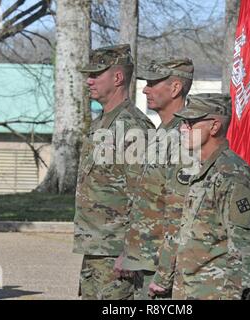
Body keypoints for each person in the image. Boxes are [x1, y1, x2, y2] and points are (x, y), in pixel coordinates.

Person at [149, 93, 250, 300]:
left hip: (216, 293)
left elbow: (245, 249)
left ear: (214, 126)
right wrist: (164, 276)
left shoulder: (233, 176)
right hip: (190, 290)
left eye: (191, 123)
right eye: (183, 122)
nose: (183, 129)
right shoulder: (200, 169)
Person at [73, 44, 154, 300]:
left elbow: (145, 194)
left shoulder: (134, 127)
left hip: (117, 254)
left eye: (96, 74)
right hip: (96, 248)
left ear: (118, 77)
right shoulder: (100, 124)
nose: (89, 80)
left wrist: (131, 250)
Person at [114, 58, 195, 299]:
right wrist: (129, 250)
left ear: (175, 88)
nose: (145, 89)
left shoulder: (186, 137)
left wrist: (166, 270)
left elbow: (180, 212)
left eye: (152, 83)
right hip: (144, 259)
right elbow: (146, 202)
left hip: (162, 267)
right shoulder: (161, 133)